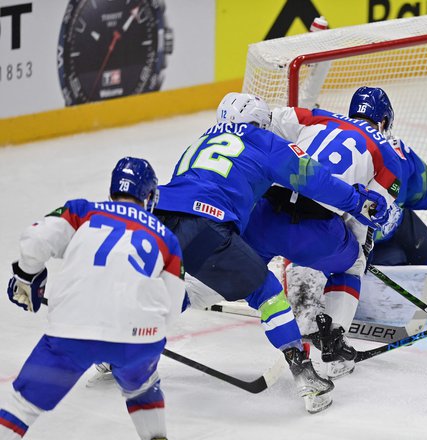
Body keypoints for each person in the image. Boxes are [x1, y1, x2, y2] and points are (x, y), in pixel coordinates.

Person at [249, 86, 427, 378]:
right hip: (342, 233)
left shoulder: (318, 119)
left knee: (248, 257)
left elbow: (262, 123)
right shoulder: (394, 153)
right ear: (386, 121)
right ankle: (335, 338)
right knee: (381, 255)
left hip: (269, 213)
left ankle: (201, 284)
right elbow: (387, 206)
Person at [153, 92, 389, 413]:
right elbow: (313, 178)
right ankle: (306, 376)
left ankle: (118, 343)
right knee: (267, 292)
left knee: (186, 288)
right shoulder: (262, 141)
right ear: (258, 123)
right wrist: (356, 201)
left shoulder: (199, 141)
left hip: (161, 218)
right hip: (208, 221)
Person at [0, 157, 185, 440]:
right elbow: (171, 309)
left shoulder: (82, 211)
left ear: (112, 191)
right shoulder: (167, 238)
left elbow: (36, 241)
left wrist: (27, 277)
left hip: (72, 331)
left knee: (23, 404)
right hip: (137, 341)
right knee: (143, 385)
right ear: (149, 195)